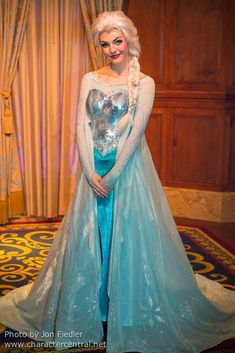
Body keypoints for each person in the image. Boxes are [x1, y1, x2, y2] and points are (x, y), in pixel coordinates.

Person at [0, 10, 235, 353]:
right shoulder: (89, 78)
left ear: (129, 41)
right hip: (92, 172)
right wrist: (90, 170)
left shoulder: (146, 83)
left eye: (117, 41)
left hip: (126, 174)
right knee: (90, 238)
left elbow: (136, 136)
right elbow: (79, 126)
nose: (111, 49)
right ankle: (92, 306)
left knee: (127, 239)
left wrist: (110, 177)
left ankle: (125, 306)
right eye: (105, 43)